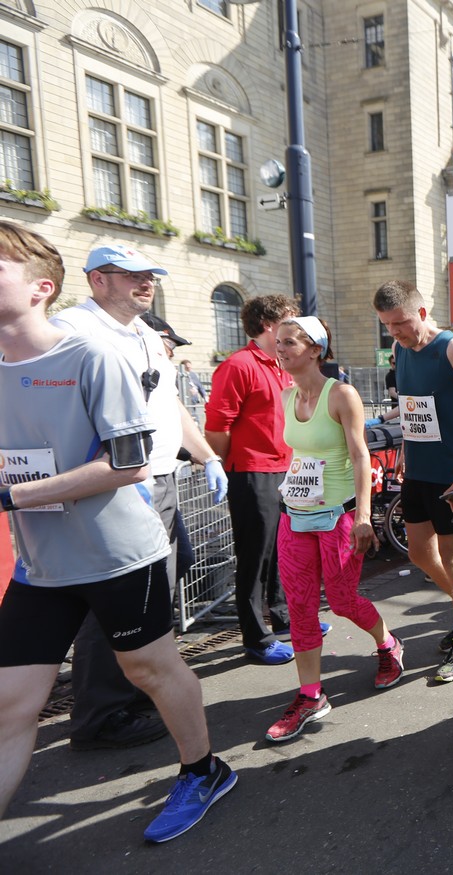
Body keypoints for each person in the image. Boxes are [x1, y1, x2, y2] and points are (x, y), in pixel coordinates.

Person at [0, 222, 236, 843]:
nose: (145, 285)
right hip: (41, 565)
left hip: (117, 554)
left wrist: (11, 495)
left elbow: (127, 461)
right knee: (10, 704)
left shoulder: (91, 353)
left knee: (150, 669)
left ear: (40, 288)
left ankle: (203, 769)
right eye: (133, 276)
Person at [50, 246, 227, 752]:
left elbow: (168, 405)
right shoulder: (72, 330)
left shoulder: (146, 333)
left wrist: (207, 456)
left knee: (148, 599)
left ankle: (133, 695)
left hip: (159, 481)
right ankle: (101, 717)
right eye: (131, 275)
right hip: (113, 487)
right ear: (97, 280)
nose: (145, 282)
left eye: (149, 275)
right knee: (113, 602)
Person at [262, 316, 404, 742]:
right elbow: (300, 454)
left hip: (337, 516)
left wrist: (363, 516)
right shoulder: (287, 395)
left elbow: (361, 456)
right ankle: (311, 695)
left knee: (342, 601)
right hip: (295, 516)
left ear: (315, 350)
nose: (280, 349)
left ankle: (388, 645)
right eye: (278, 342)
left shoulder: (341, 394)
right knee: (300, 607)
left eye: (289, 342)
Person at [371, 281, 453, 686]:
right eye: (387, 325)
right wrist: (403, 446)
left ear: (421, 312)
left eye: (400, 322)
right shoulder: (401, 350)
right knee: (418, 552)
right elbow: (414, 406)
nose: (394, 332)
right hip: (417, 470)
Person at [205, 295, 301, 665]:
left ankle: (282, 619)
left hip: (283, 468)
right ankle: (256, 638)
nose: (296, 330)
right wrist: (236, 462)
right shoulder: (239, 365)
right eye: (289, 322)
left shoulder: (282, 364)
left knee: (280, 551)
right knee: (255, 557)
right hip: (252, 471)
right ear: (268, 325)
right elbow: (217, 426)